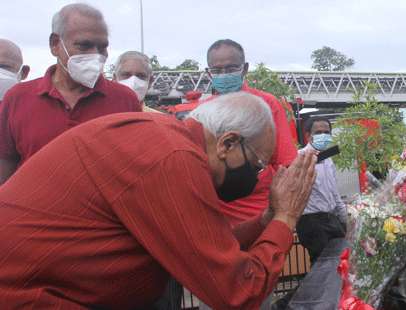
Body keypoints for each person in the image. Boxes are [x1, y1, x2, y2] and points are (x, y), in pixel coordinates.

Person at [0, 92, 317, 309]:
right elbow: (237, 292)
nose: (258, 176)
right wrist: (285, 218)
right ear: (228, 143)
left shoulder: (167, 140)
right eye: (258, 165)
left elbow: (197, 244)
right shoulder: (172, 156)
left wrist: (265, 221)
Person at [0, 3, 141, 184]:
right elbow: (6, 163)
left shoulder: (125, 100)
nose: (96, 55)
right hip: (36, 210)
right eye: (84, 45)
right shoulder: (17, 97)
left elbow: (133, 166)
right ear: (55, 45)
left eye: (102, 47)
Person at [206, 39, 297, 225]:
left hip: (261, 212)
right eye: (217, 70)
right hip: (216, 216)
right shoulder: (204, 110)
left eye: (231, 68)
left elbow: (286, 163)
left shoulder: (267, 104)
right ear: (208, 72)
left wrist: (283, 214)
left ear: (245, 68)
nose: (224, 75)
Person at [297, 116, 347, 265]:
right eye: (318, 132)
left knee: (343, 261)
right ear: (308, 135)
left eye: (326, 132)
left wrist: (345, 218)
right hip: (311, 221)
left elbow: (334, 193)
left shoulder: (328, 160)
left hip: (331, 218)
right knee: (324, 267)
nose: (323, 136)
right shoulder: (299, 158)